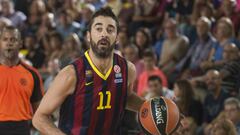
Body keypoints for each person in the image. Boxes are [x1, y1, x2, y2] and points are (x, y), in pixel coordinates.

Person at [32, 7, 145, 135]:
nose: (104, 34)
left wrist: (150, 108)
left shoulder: (127, 69)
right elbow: (39, 118)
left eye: (110, 30)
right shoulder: (71, 74)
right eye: (98, 28)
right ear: (88, 36)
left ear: (117, 37)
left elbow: (125, 97)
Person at [0, 26, 44, 134]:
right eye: (5, 39)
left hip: (22, 128)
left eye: (13, 40)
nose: (9, 43)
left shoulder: (32, 74)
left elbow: (39, 110)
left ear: (20, 43)